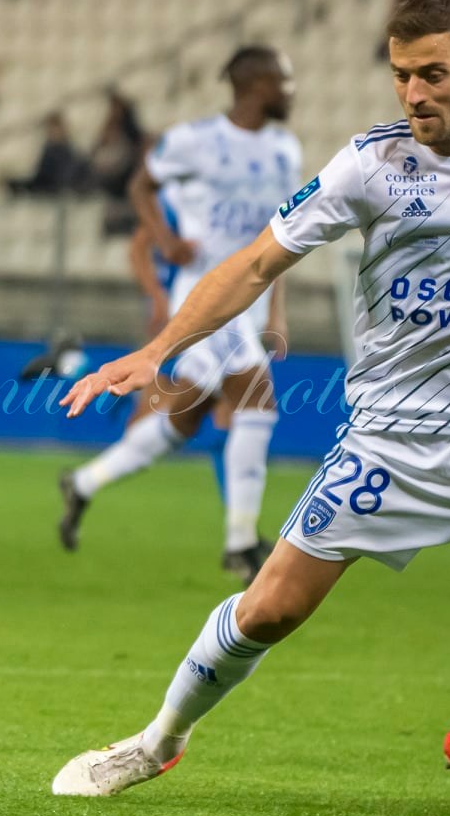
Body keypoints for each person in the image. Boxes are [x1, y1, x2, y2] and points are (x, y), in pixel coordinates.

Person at [52, 0, 450, 816]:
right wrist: (154, 351)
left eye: (431, 74)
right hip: (394, 439)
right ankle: (154, 741)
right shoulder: (372, 165)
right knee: (268, 608)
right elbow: (250, 265)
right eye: (399, 76)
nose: (413, 94)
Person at [58, 47, 300, 580]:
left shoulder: (287, 150)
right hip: (206, 297)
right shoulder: (195, 141)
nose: (292, 89)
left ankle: (83, 483)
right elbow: (140, 186)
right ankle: (240, 542)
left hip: (252, 302)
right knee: (257, 406)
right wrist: (166, 241)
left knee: (181, 422)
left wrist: (276, 310)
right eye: (283, 79)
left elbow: (281, 241)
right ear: (255, 84)